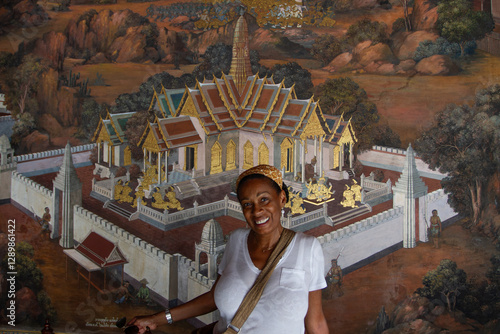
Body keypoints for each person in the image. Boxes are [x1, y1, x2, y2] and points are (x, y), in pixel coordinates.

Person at [127, 165, 329, 334]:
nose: (257, 211)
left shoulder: (307, 249)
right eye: (247, 204)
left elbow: (316, 322)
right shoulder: (236, 240)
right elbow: (214, 298)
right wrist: (157, 319)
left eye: (264, 199)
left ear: (282, 198)